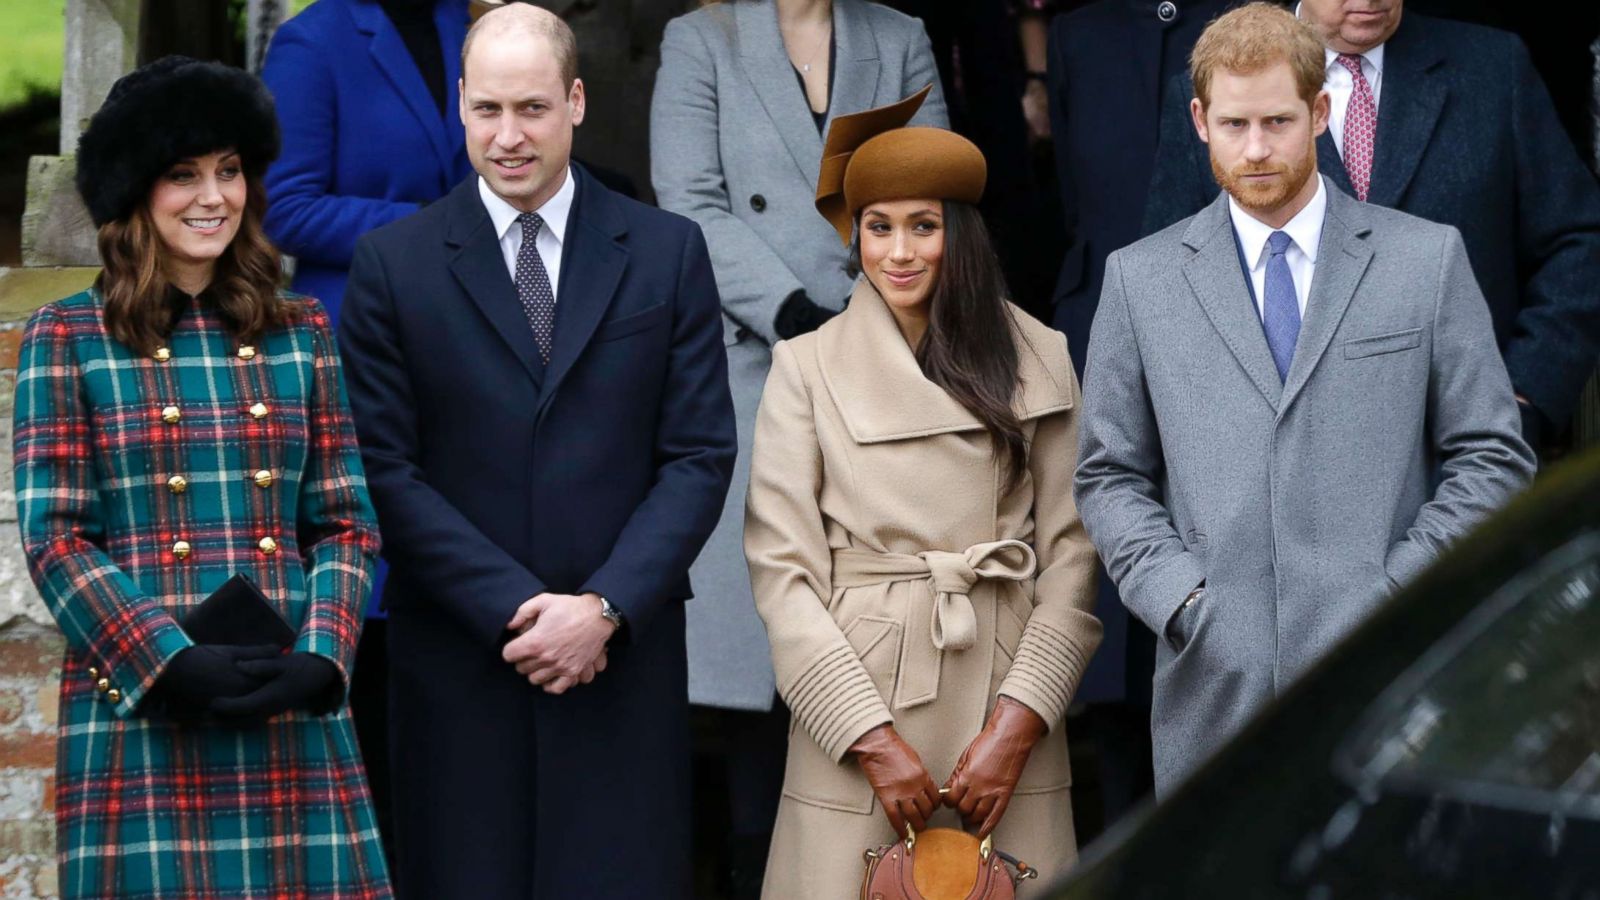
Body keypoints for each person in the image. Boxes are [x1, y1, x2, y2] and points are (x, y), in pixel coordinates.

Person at [1074, 2, 1536, 796]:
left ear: (1321, 113)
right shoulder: (1138, 279)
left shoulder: (1425, 259)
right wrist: (1182, 601)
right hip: (1214, 689)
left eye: (1278, 122)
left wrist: (1401, 591)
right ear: (1199, 121)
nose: (1256, 149)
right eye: (1234, 124)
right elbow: (1107, 474)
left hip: (1395, 682)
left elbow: (1492, 454)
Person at [337, 5, 736, 897]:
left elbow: (700, 453)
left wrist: (600, 608)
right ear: (460, 107)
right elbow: (382, 470)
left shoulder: (668, 251)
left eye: (532, 109)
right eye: (487, 111)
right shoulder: (392, 265)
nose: (508, 137)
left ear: (578, 102)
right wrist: (522, 609)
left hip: (619, 660)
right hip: (461, 666)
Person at [13, 57, 389, 898]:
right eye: (183, 175)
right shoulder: (67, 337)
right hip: (145, 703)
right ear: (136, 192)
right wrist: (169, 659)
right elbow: (56, 537)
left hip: (287, 696)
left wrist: (325, 655)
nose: (212, 197)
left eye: (229, 171)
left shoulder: (302, 329)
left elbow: (345, 519)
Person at [745, 88, 1103, 898]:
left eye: (924, 226)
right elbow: (782, 574)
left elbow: (1074, 553)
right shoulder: (806, 367)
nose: (899, 251)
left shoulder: (1041, 353)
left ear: (961, 236)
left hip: (1006, 695)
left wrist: (1020, 722)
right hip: (858, 702)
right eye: (878, 227)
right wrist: (867, 737)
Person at [649, 1, 944, 890]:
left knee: (882, 657)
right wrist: (794, 313)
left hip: (887, 364)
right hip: (752, 363)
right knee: (759, 678)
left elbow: (935, 187)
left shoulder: (901, 34)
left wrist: (872, 308)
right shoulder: (699, 39)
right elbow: (689, 201)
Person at [1141, 0, 1600, 454]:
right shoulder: (1218, 94)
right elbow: (1176, 282)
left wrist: (1525, 394)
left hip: (1462, 447)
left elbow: (1579, 241)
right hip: (1283, 462)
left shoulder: (1493, 68)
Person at [259, 0, 475, 856]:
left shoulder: (476, 24)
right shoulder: (314, 38)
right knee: (377, 601)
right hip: (361, 351)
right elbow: (285, 207)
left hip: (471, 343)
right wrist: (439, 232)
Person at [1044, 0, 1236, 833]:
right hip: (1100, 332)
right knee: (1116, 576)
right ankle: (1124, 829)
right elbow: (1064, 198)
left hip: (1227, 332)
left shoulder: (1247, 16)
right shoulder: (1081, 34)